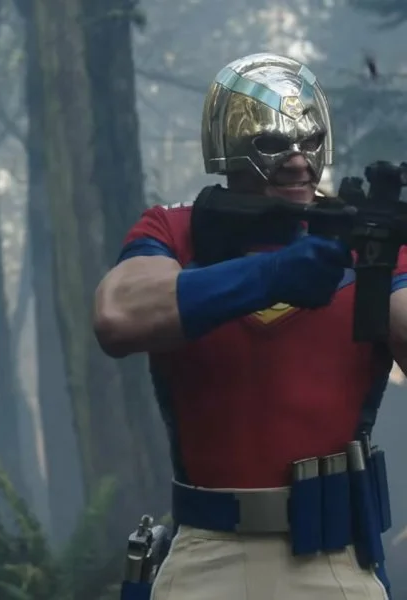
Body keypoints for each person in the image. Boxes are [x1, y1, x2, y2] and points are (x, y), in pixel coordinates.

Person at [94, 53, 407, 599]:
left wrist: (374, 269)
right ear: (228, 148)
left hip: (334, 561)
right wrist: (271, 274)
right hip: (204, 554)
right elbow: (118, 316)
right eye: (272, 144)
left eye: (310, 142)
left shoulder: (369, 243)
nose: (298, 162)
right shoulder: (175, 230)